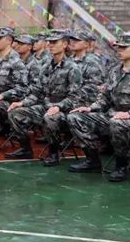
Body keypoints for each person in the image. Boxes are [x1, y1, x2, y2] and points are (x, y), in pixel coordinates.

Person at [67, 32, 130, 179]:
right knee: (75, 116)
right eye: (118, 48)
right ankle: (92, 160)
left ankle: (121, 166)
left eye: (123, 48)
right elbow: (105, 98)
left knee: (117, 123)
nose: (119, 51)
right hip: (112, 116)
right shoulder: (115, 71)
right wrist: (91, 108)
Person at [6, 30, 82, 164]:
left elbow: (75, 97)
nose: (50, 45)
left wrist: (58, 106)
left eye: (54, 42)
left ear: (64, 44)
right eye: (49, 42)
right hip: (46, 106)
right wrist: (22, 103)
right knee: (15, 112)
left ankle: (53, 153)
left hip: (64, 110)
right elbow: (37, 92)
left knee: (50, 117)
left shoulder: (72, 68)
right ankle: (25, 149)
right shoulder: (46, 67)